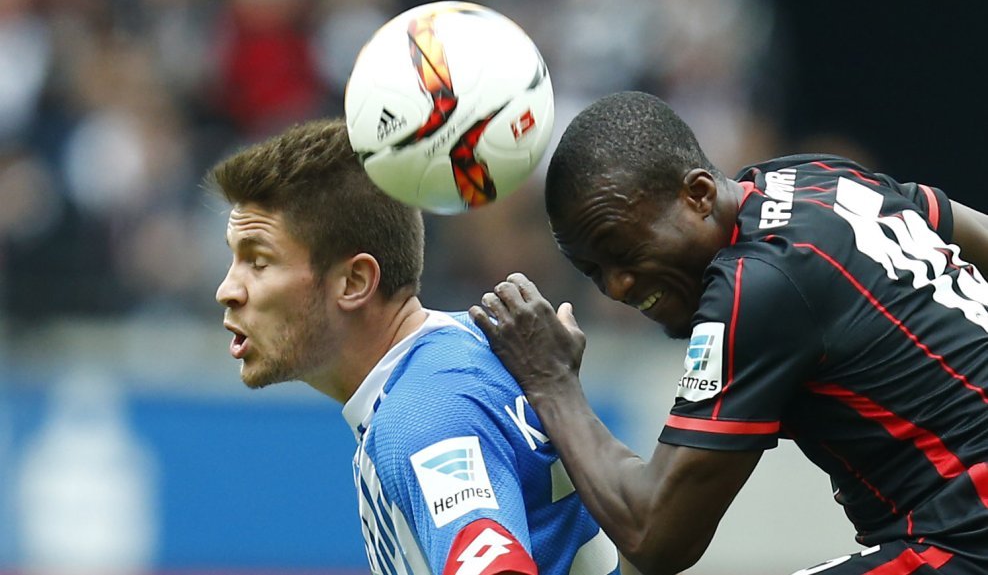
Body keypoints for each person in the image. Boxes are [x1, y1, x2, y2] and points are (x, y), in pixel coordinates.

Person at [469, 91, 988, 575]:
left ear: (697, 194)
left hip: (964, 535)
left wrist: (551, 381)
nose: (618, 286)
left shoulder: (758, 285)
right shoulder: (814, 178)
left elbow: (655, 536)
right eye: (593, 271)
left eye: (623, 251)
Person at [210, 118, 620, 575]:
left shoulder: (424, 414)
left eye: (259, 261)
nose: (228, 290)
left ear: (354, 282)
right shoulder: (463, 353)